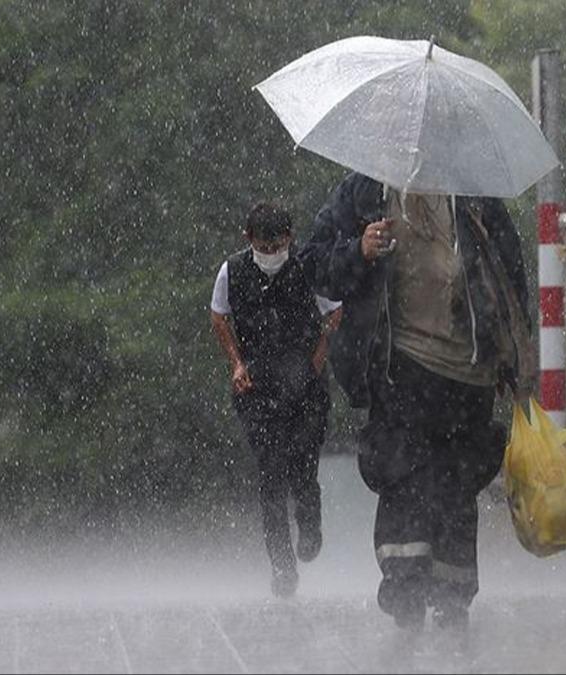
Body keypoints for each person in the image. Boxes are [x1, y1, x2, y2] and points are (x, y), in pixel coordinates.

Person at [300, 173, 536, 630]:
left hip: (469, 369)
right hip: (398, 362)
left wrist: (513, 358)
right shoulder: (365, 191)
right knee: (402, 474)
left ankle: (453, 595)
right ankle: (405, 587)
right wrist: (359, 251)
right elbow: (315, 265)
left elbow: (508, 275)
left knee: (456, 483)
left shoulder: (474, 193)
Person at [209, 202, 343, 598]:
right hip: (257, 387)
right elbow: (219, 316)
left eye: (279, 245)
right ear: (248, 239)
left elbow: (335, 312)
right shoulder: (231, 271)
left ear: (290, 240)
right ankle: (282, 567)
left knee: (303, 465)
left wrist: (318, 356)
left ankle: (310, 520)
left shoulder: (306, 269)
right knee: (270, 476)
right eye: (264, 247)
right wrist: (236, 363)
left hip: (305, 385)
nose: (272, 254)